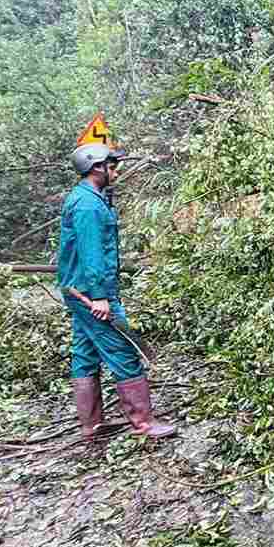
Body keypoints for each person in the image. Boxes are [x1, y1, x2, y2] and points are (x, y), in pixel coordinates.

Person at [59, 142, 176, 439]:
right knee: (123, 350)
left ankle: (92, 425)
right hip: (90, 293)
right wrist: (99, 296)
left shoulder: (90, 199)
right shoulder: (87, 205)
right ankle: (144, 423)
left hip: (78, 290)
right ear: (97, 167)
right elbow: (92, 252)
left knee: (84, 354)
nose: (116, 171)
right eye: (112, 166)